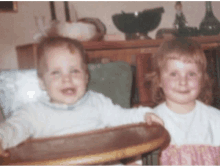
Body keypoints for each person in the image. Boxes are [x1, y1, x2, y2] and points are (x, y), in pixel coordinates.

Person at [0, 36, 163, 158]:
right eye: (56, 73)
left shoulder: (97, 102)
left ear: (86, 77)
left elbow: (122, 116)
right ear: (42, 82)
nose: (67, 79)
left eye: (74, 71)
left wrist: (144, 115)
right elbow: (14, 128)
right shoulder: (33, 113)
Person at [148, 37, 220, 165]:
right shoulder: (151, 122)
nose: (183, 82)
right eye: (173, 74)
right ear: (158, 79)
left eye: (191, 74)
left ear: (203, 79)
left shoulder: (215, 120)